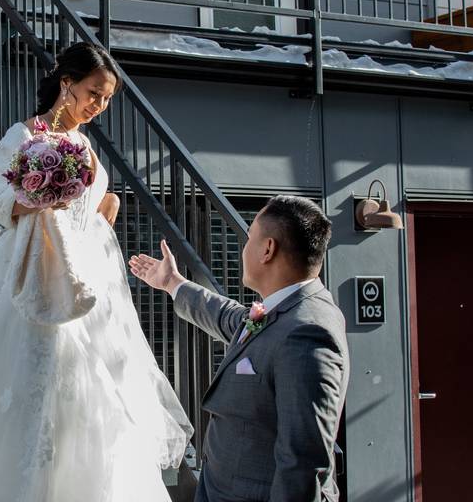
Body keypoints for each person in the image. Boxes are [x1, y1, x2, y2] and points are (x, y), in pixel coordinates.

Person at [0, 42, 193, 502]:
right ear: (67, 84)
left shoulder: (83, 142)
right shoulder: (24, 136)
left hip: (91, 274)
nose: (99, 106)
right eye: (93, 93)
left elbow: (94, 202)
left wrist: (110, 203)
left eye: (106, 99)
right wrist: (41, 200)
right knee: (50, 380)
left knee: (99, 391)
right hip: (45, 270)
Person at [129, 195, 350, 502]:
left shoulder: (308, 331)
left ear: (267, 249)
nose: (243, 248)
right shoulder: (285, 310)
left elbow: (303, 460)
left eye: (249, 238)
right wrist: (172, 283)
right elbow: (230, 316)